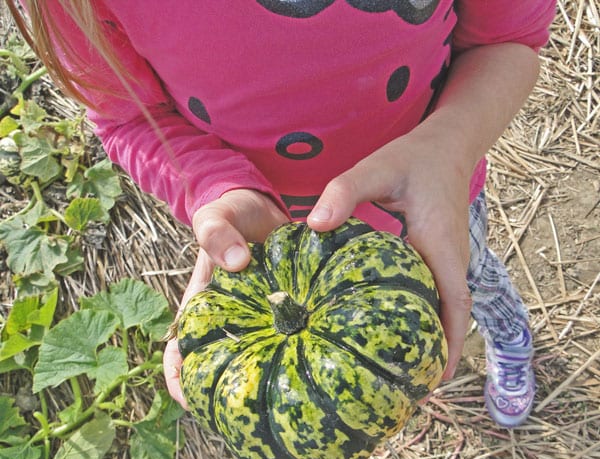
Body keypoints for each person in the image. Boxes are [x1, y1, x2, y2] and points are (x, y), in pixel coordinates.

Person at [9, 0, 556, 428]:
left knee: (475, 279)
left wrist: (450, 147)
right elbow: (130, 118)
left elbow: (506, 39)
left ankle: (509, 341)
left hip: (433, 199)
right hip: (274, 247)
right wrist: (214, 187)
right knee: (381, 358)